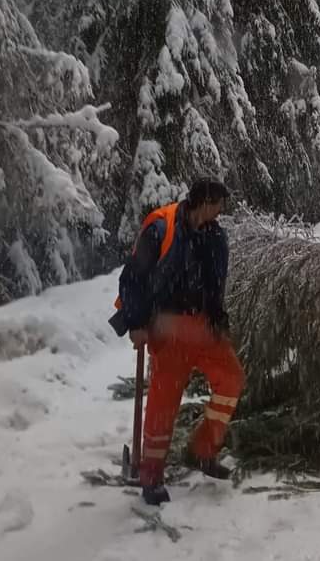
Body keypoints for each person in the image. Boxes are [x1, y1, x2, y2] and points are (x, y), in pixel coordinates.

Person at [111, 178, 244, 506]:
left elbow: (216, 286)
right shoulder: (162, 226)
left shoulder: (215, 235)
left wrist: (219, 322)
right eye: (218, 205)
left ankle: (203, 451)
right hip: (167, 326)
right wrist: (137, 323)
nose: (221, 212)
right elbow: (134, 277)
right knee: (163, 402)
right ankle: (151, 475)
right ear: (205, 202)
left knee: (232, 380)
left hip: (203, 327)